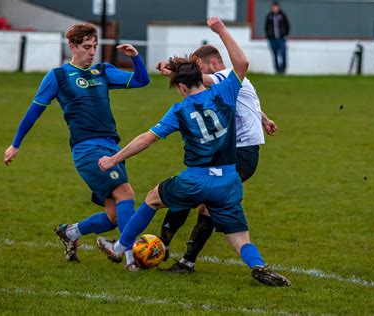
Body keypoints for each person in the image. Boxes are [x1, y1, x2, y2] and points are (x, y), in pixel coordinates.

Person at [96, 17, 291, 286]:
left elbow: (146, 140)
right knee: (239, 236)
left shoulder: (179, 109)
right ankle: (257, 265)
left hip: (197, 178)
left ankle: (119, 248)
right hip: (229, 180)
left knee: (153, 198)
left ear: (182, 87)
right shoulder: (225, 93)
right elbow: (243, 64)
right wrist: (221, 30)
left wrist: (113, 159)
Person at [3, 23, 150, 267]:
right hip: (87, 149)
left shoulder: (102, 72)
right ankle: (130, 258)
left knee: (114, 216)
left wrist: (136, 58)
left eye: (95, 47)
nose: (92, 52)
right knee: (126, 194)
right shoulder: (58, 76)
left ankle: (70, 232)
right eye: (86, 47)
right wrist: (15, 144)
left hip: (113, 147)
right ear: (72, 46)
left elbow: (141, 81)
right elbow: (34, 112)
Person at [155, 44, 278, 274]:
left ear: (211, 64)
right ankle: (171, 248)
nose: (198, 73)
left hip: (240, 152)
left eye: (199, 67)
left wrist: (173, 72)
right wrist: (264, 118)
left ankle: (178, 255)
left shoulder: (223, 75)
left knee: (203, 199)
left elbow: (196, 82)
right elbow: (244, 103)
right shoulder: (234, 81)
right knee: (200, 195)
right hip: (239, 150)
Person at [264, 1, 290, 74]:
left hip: (281, 39)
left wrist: (286, 34)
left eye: (276, 7)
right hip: (272, 39)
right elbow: (266, 27)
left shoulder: (282, 15)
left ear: (278, 7)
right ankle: (277, 70)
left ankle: (283, 69)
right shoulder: (269, 16)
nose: (274, 9)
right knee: (275, 54)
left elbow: (287, 25)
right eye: (273, 7)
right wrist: (268, 36)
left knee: (283, 53)